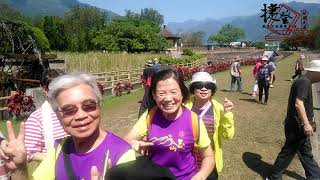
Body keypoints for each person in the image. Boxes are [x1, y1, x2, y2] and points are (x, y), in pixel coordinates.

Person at [0, 73, 137, 180]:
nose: (80, 115)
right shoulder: (59, 148)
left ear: (99, 106)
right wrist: (20, 168)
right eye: (69, 110)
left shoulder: (122, 154)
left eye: (89, 106)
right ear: (58, 116)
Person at [124, 68, 214, 180]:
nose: (167, 99)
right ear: (154, 95)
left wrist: (200, 176)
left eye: (173, 92)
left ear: (182, 93)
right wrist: (132, 143)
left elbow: (208, 156)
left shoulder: (193, 120)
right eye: (161, 93)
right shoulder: (150, 116)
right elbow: (125, 141)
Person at [267, 60, 320, 180]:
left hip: (297, 123)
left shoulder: (304, 80)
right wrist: (306, 124)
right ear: (316, 73)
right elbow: (298, 104)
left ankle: (315, 176)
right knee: (288, 152)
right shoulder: (304, 82)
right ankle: (273, 177)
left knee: (306, 153)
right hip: (297, 125)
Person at [184, 72, 234, 179]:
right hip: (188, 160)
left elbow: (227, 135)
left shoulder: (218, 108)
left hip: (210, 159)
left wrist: (227, 114)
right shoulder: (184, 107)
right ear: (193, 89)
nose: (204, 89)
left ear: (212, 90)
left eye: (208, 86)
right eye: (199, 86)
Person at [24, 69, 68, 162]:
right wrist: (55, 158)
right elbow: (30, 153)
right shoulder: (36, 119)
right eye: (57, 88)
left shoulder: (72, 111)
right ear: (45, 89)